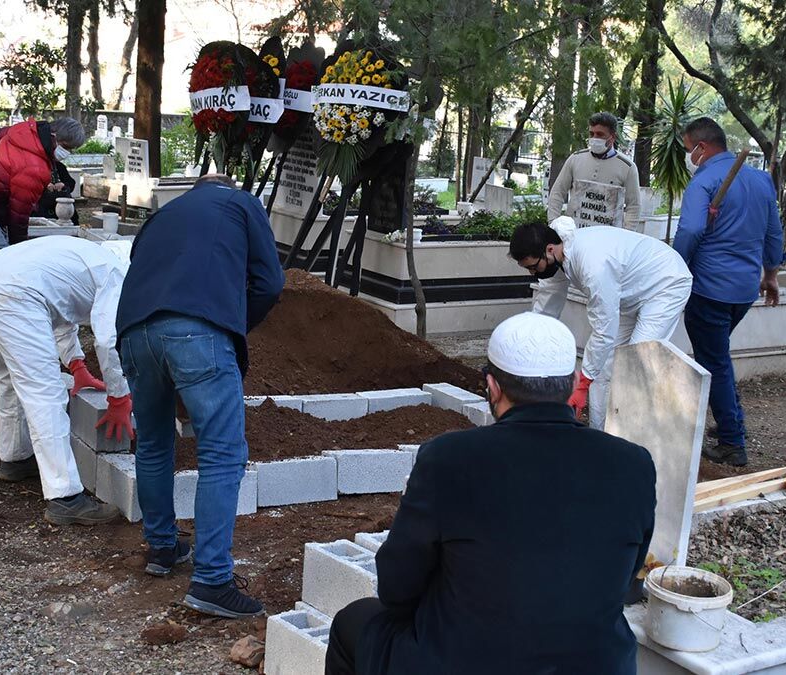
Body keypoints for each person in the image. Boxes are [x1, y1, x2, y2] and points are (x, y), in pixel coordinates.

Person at [324, 312, 656, 675]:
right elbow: (623, 579)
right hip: (598, 664)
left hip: (466, 662)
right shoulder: (634, 465)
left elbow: (396, 587)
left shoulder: (449, 458)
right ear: (574, 382)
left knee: (351, 624)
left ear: (492, 387)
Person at [115, 174, 285, 619]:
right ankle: (212, 580)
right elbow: (269, 283)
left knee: (152, 443)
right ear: (226, 187)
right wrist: (228, 329)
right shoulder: (241, 203)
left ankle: (162, 548)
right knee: (222, 454)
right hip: (197, 328)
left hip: (133, 332)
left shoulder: (163, 215)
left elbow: (143, 269)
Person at [0, 235, 133, 525]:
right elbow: (108, 340)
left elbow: (60, 313)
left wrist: (77, 365)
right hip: (12, 293)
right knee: (46, 392)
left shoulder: (85, 259)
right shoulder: (118, 271)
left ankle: (15, 459)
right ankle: (65, 498)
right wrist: (119, 398)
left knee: (9, 377)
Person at [672, 117, 784, 467]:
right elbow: (773, 233)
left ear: (702, 148)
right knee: (717, 355)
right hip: (744, 290)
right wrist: (771, 275)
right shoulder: (761, 180)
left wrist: (673, 269)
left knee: (714, 361)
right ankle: (731, 424)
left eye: (689, 149)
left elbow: (690, 230)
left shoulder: (704, 180)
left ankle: (732, 442)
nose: (690, 156)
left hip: (709, 287)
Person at [510, 216, 693, 429]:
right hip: (628, 291)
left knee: (635, 360)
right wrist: (524, 351)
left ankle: (632, 435)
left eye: (533, 266)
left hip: (665, 283)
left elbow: (604, 330)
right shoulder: (557, 258)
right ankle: (600, 434)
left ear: (549, 249)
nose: (533, 273)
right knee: (604, 366)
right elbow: (545, 309)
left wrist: (582, 383)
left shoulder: (592, 265)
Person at [0, 117, 86, 257]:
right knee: (3, 269)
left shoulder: (24, 132)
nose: (68, 152)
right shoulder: (34, 167)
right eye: (66, 147)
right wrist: (20, 251)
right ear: (54, 136)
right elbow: (19, 214)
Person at [546, 112, 642, 230]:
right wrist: (553, 224)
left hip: (608, 236)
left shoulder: (627, 167)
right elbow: (557, 192)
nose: (594, 138)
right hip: (575, 232)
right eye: (592, 134)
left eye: (600, 134)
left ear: (613, 137)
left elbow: (634, 206)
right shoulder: (575, 159)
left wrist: (627, 235)